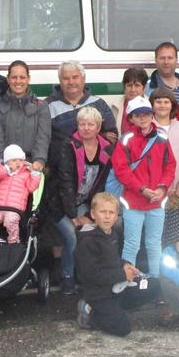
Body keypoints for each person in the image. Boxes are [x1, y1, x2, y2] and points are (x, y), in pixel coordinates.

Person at [75, 192, 160, 337]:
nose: (107, 216)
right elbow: (90, 275)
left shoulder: (112, 233)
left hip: (117, 287)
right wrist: (122, 274)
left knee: (154, 284)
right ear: (93, 214)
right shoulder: (87, 241)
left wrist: (126, 265)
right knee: (124, 328)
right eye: (103, 212)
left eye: (111, 212)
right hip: (99, 295)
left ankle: (114, 311)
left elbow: (113, 260)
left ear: (116, 216)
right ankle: (89, 311)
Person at [113, 96, 176, 278]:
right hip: (133, 201)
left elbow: (170, 165)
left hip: (156, 201)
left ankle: (156, 281)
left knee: (154, 243)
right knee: (132, 243)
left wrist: (162, 188)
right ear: (131, 118)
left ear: (152, 115)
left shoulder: (162, 137)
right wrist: (140, 189)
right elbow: (121, 170)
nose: (143, 118)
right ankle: (128, 280)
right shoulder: (126, 139)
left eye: (147, 114)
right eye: (137, 115)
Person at [54, 107, 114, 293]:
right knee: (72, 235)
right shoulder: (68, 145)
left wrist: (89, 214)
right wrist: (73, 215)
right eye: (82, 124)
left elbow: (102, 185)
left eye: (90, 124)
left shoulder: (107, 148)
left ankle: (88, 276)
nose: (86, 128)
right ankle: (67, 277)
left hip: (84, 203)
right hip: (59, 203)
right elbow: (64, 181)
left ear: (98, 127)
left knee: (91, 231)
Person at [47, 60, 118, 163]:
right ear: (60, 80)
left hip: (95, 167)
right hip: (60, 170)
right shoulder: (48, 106)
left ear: (83, 78)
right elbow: (43, 140)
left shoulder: (98, 103)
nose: (71, 82)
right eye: (66, 78)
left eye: (75, 77)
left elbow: (112, 136)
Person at [150, 87, 179, 247]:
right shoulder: (147, 129)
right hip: (153, 192)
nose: (162, 105)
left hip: (178, 191)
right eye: (158, 101)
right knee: (154, 233)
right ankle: (154, 269)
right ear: (152, 105)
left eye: (166, 102)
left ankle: (170, 268)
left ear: (172, 105)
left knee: (174, 234)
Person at [0, 60, 51, 171]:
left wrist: (39, 160)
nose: (18, 81)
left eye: (22, 77)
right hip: (7, 166)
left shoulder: (42, 107)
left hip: (31, 165)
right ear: (8, 79)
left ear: (28, 79)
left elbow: (43, 138)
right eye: (14, 77)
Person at [0, 144, 43, 245]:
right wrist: (6, 169)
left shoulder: (26, 173)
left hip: (14, 207)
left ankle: (14, 241)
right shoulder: (2, 170)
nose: (18, 163)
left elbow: (32, 187)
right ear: (7, 161)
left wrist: (35, 174)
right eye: (14, 160)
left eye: (20, 160)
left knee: (11, 221)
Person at [115, 68, 149, 134]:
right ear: (124, 87)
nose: (133, 90)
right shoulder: (115, 107)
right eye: (129, 85)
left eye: (137, 85)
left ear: (144, 88)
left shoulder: (152, 106)